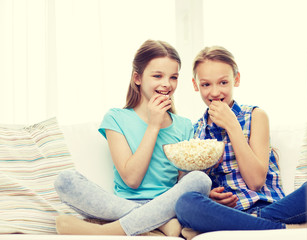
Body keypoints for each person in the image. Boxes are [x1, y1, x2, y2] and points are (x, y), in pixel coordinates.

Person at [54, 39, 212, 236]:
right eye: (157, 76)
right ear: (137, 78)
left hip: (166, 204)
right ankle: (158, 224)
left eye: (173, 77)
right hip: (123, 205)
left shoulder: (184, 125)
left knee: (200, 180)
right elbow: (132, 179)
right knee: (65, 180)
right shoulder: (116, 118)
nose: (166, 84)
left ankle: (110, 230)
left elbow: (183, 185)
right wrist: (153, 125)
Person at [175, 46, 307, 233]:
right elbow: (192, 185)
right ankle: (274, 229)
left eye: (223, 82)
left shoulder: (255, 116)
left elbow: (255, 182)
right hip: (228, 213)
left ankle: (256, 223)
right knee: (185, 203)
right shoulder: (195, 132)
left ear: (236, 80)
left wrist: (232, 125)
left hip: (271, 209)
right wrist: (209, 197)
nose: (215, 92)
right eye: (206, 84)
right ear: (195, 85)